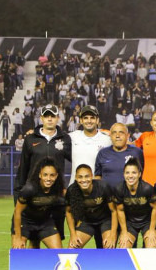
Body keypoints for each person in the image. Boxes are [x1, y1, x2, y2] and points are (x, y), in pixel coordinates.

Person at [16, 104, 72, 240]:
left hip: (56, 195)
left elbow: (76, 159)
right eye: (46, 116)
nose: (50, 119)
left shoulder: (65, 138)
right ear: (41, 118)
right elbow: (23, 167)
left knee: (56, 238)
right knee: (33, 239)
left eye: (53, 116)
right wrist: (19, 191)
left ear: (58, 118)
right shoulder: (30, 139)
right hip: (34, 194)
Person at [11, 157, 65, 249]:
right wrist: (18, 237)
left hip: (45, 222)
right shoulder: (29, 189)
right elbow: (17, 212)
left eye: (52, 175)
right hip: (25, 223)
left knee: (59, 253)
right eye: (45, 175)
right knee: (19, 251)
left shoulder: (59, 190)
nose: (48, 178)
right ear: (40, 175)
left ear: (56, 176)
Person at [65, 164, 117, 249]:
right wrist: (73, 235)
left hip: (105, 221)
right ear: (76, 178)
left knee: (109, 247)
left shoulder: (103, 187)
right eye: (80, 177)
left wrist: (113, 234)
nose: (84, 180)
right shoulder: (71, 190)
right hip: (87, 222)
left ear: (92, 176)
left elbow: (114, 211)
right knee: (72, 248)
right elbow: (68, 211)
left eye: (87, 176)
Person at [114, 158, 156, 248]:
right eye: (127, 173)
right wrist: (123, 232)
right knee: (124, 248)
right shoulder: (119, 189)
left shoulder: (147, 188)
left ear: (139, 174)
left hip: (147, 222)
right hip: (130, 222)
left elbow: (155, 208)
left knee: (151, 246)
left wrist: (151, 230)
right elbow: (120, 210)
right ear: (123, 174)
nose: (130, 176)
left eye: (134, 173)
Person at [68, 105, 111, 185]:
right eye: (86, 118)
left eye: (92, 118)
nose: (89, 121)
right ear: (81, 120)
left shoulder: (107, 140)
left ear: (97, 120)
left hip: (96, 190)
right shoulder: (72, 137)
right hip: (75, 189)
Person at [94, 123, 145, 189]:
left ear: (128, 136)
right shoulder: (102, 153)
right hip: (107, 197)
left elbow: (142, 174)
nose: (117, 136)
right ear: (110, 136)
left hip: (129, 198)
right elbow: (98, 176)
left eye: (121, 132)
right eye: (114, 133)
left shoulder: (137, 152)